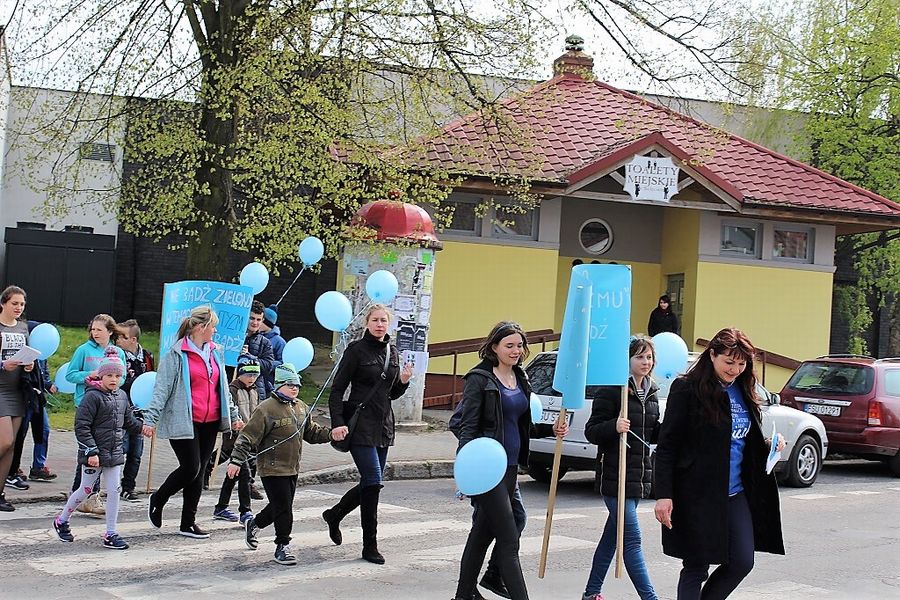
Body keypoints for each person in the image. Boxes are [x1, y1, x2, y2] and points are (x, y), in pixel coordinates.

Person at [654, 327, 786, 600]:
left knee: (742, 561)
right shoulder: (687, 389)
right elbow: (668, 445)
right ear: (712, 354)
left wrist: (770, 445)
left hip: (735, 492)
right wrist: (664, 495)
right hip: (696, 494)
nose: (735, 370)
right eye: (729, 362)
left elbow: (740, 439)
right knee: (696, 566)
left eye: (742, 364)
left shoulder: (743, 389)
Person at [452, 321, 567, 600]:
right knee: (508, 540)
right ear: (494, 347)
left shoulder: (520, 376)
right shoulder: (479, 379)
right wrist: (465, 471)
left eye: (519, 345)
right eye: (509, 346)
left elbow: (522, 423)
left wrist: (550, 429)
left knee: (482, 533)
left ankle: (463, 595)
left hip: (511, 468)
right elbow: (467, 427)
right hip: (487, 470)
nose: (516, 351)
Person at [141, 305, 243, 539]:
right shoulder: (176, 354)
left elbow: (223, 389)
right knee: (191, 467)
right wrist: (150, 419)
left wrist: (234, 416)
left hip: (210, 421)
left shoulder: (216, 352)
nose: (215, 331)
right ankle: (159, 498)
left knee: (199, 472)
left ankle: (188, 523)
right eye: (213, 327)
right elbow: (162, 389)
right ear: (200, 327)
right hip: (185, 420)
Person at [324, 304, 413, 564]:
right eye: (375, 320)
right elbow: (337, 390)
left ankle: (335, 514)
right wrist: (337, 422)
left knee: (371, 483)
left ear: (389, 323)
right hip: (359, 423)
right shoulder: (356, 350)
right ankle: (369, 546)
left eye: (384, 320)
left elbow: (390, 393)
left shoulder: (392, 352)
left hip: (383, 424)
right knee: (373, 481)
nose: (379, 324)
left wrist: (404, 382)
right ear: (367, 322)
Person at [229, 363, 341, 565]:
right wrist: (236, 461)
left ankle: (254, 524)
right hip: (271, 468)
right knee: (284, 508)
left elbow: (312, 433)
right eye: (290, 385)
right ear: (279, 385)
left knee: (280, 505)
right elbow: (247, 437)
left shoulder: (301, 407)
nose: (294, 388)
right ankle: (282, 545)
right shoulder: (266, 409)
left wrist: (331, 434)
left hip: (292, 467)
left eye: (297, 385)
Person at [581, 335, 661, 600]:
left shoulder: (652, 392)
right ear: (626, 360)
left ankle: (591, 593)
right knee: (632, 541)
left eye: (649, 357)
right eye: (639, 357)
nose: (645, 362)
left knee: (610, 539)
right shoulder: (612, 390)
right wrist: (613, 426)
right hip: (615, 477)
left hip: (638, 476)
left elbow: (652, 433)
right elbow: (592, 431)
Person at [52, 348, 143, 549]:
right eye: (109, 375)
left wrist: (142, 427)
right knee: (85, 489)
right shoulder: (91, 397)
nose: (114, 379)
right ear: (101, 375)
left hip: (114, 453)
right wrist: (91, 451)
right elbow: (81, 426)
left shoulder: (122, 396)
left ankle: (111, 533)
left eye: (117, 376)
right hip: (94, 454)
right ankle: (61, 520)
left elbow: (128, 421)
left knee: (114, 490)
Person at [65, 314, 128, 514]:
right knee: (89, 450)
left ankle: (88, 495)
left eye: (99, 330)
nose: (95, 333)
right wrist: (89, 375)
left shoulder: (118, 352)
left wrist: (112, 381)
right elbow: (70, 374)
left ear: (110, 331)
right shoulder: (83, 350)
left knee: (102, 453)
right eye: (93, 329)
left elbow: (123, 377)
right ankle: (84, 495)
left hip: (109, 406)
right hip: (87, 403)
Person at [212, 354, 260, 524]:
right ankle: (245, 511)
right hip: (235, 439)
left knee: (233, 474)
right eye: (248, 374)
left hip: (250, 439)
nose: (252, 378)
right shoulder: (232, 389)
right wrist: (234, 424)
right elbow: (228, 411)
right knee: (244, 474)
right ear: (240, 373)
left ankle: (221, 507)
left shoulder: (255, 390)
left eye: (255, 375)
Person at [0, 285, 34, 511]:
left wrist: (29, 365)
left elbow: (27, 354)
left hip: (17, 390)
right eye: (15, 303)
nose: (19, 307)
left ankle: (0, 493)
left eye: (22, 304)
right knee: (5, 441)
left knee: (11, 446)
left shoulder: (23, 328)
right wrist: (3, 364)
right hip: (0, 389)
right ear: (3, 303)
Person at [116, 319, 155, 501]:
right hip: (123, 408)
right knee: (121, 448)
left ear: (133, 339)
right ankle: (113, 485)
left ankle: (128, 486)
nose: (117, 340)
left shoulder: (147, 357)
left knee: (136, 452)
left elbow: (151, 381)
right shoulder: (118, 356)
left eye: (122, 337)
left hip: (140, 411)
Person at [259, 304, 286, 392]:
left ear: (268, 324)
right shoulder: (256, 336)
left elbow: (283, 361)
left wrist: (267, 364)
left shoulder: (279, 341)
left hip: (269, 379)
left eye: (261, 320)